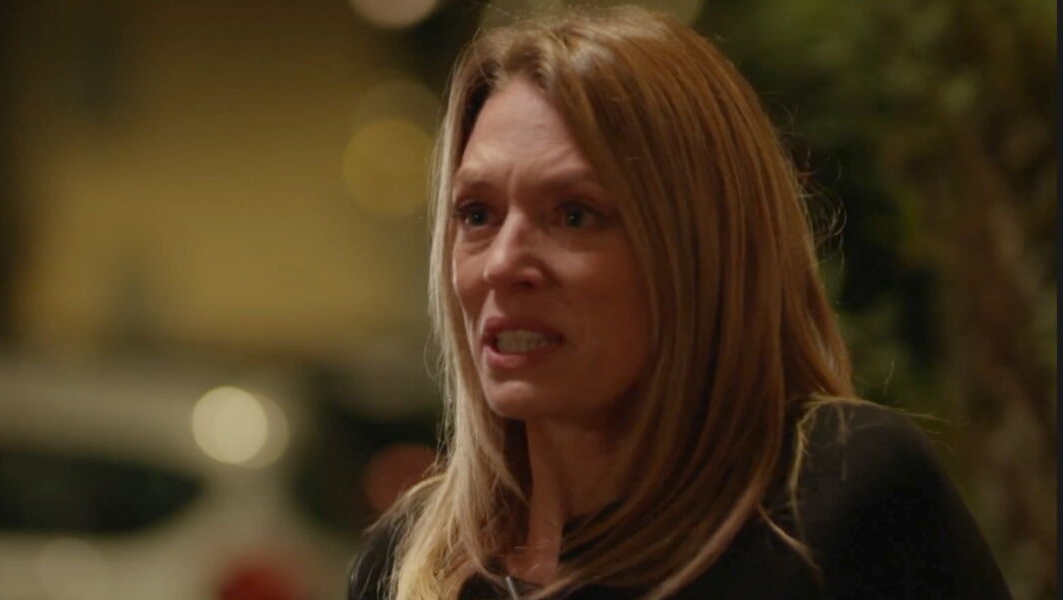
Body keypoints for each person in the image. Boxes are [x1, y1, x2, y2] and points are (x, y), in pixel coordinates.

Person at [348, 6, 1012, 600]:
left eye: (575, 215)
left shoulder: (839, 496)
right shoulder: (407, 562)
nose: (501, 265)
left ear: (699, 250)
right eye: (477, 214)